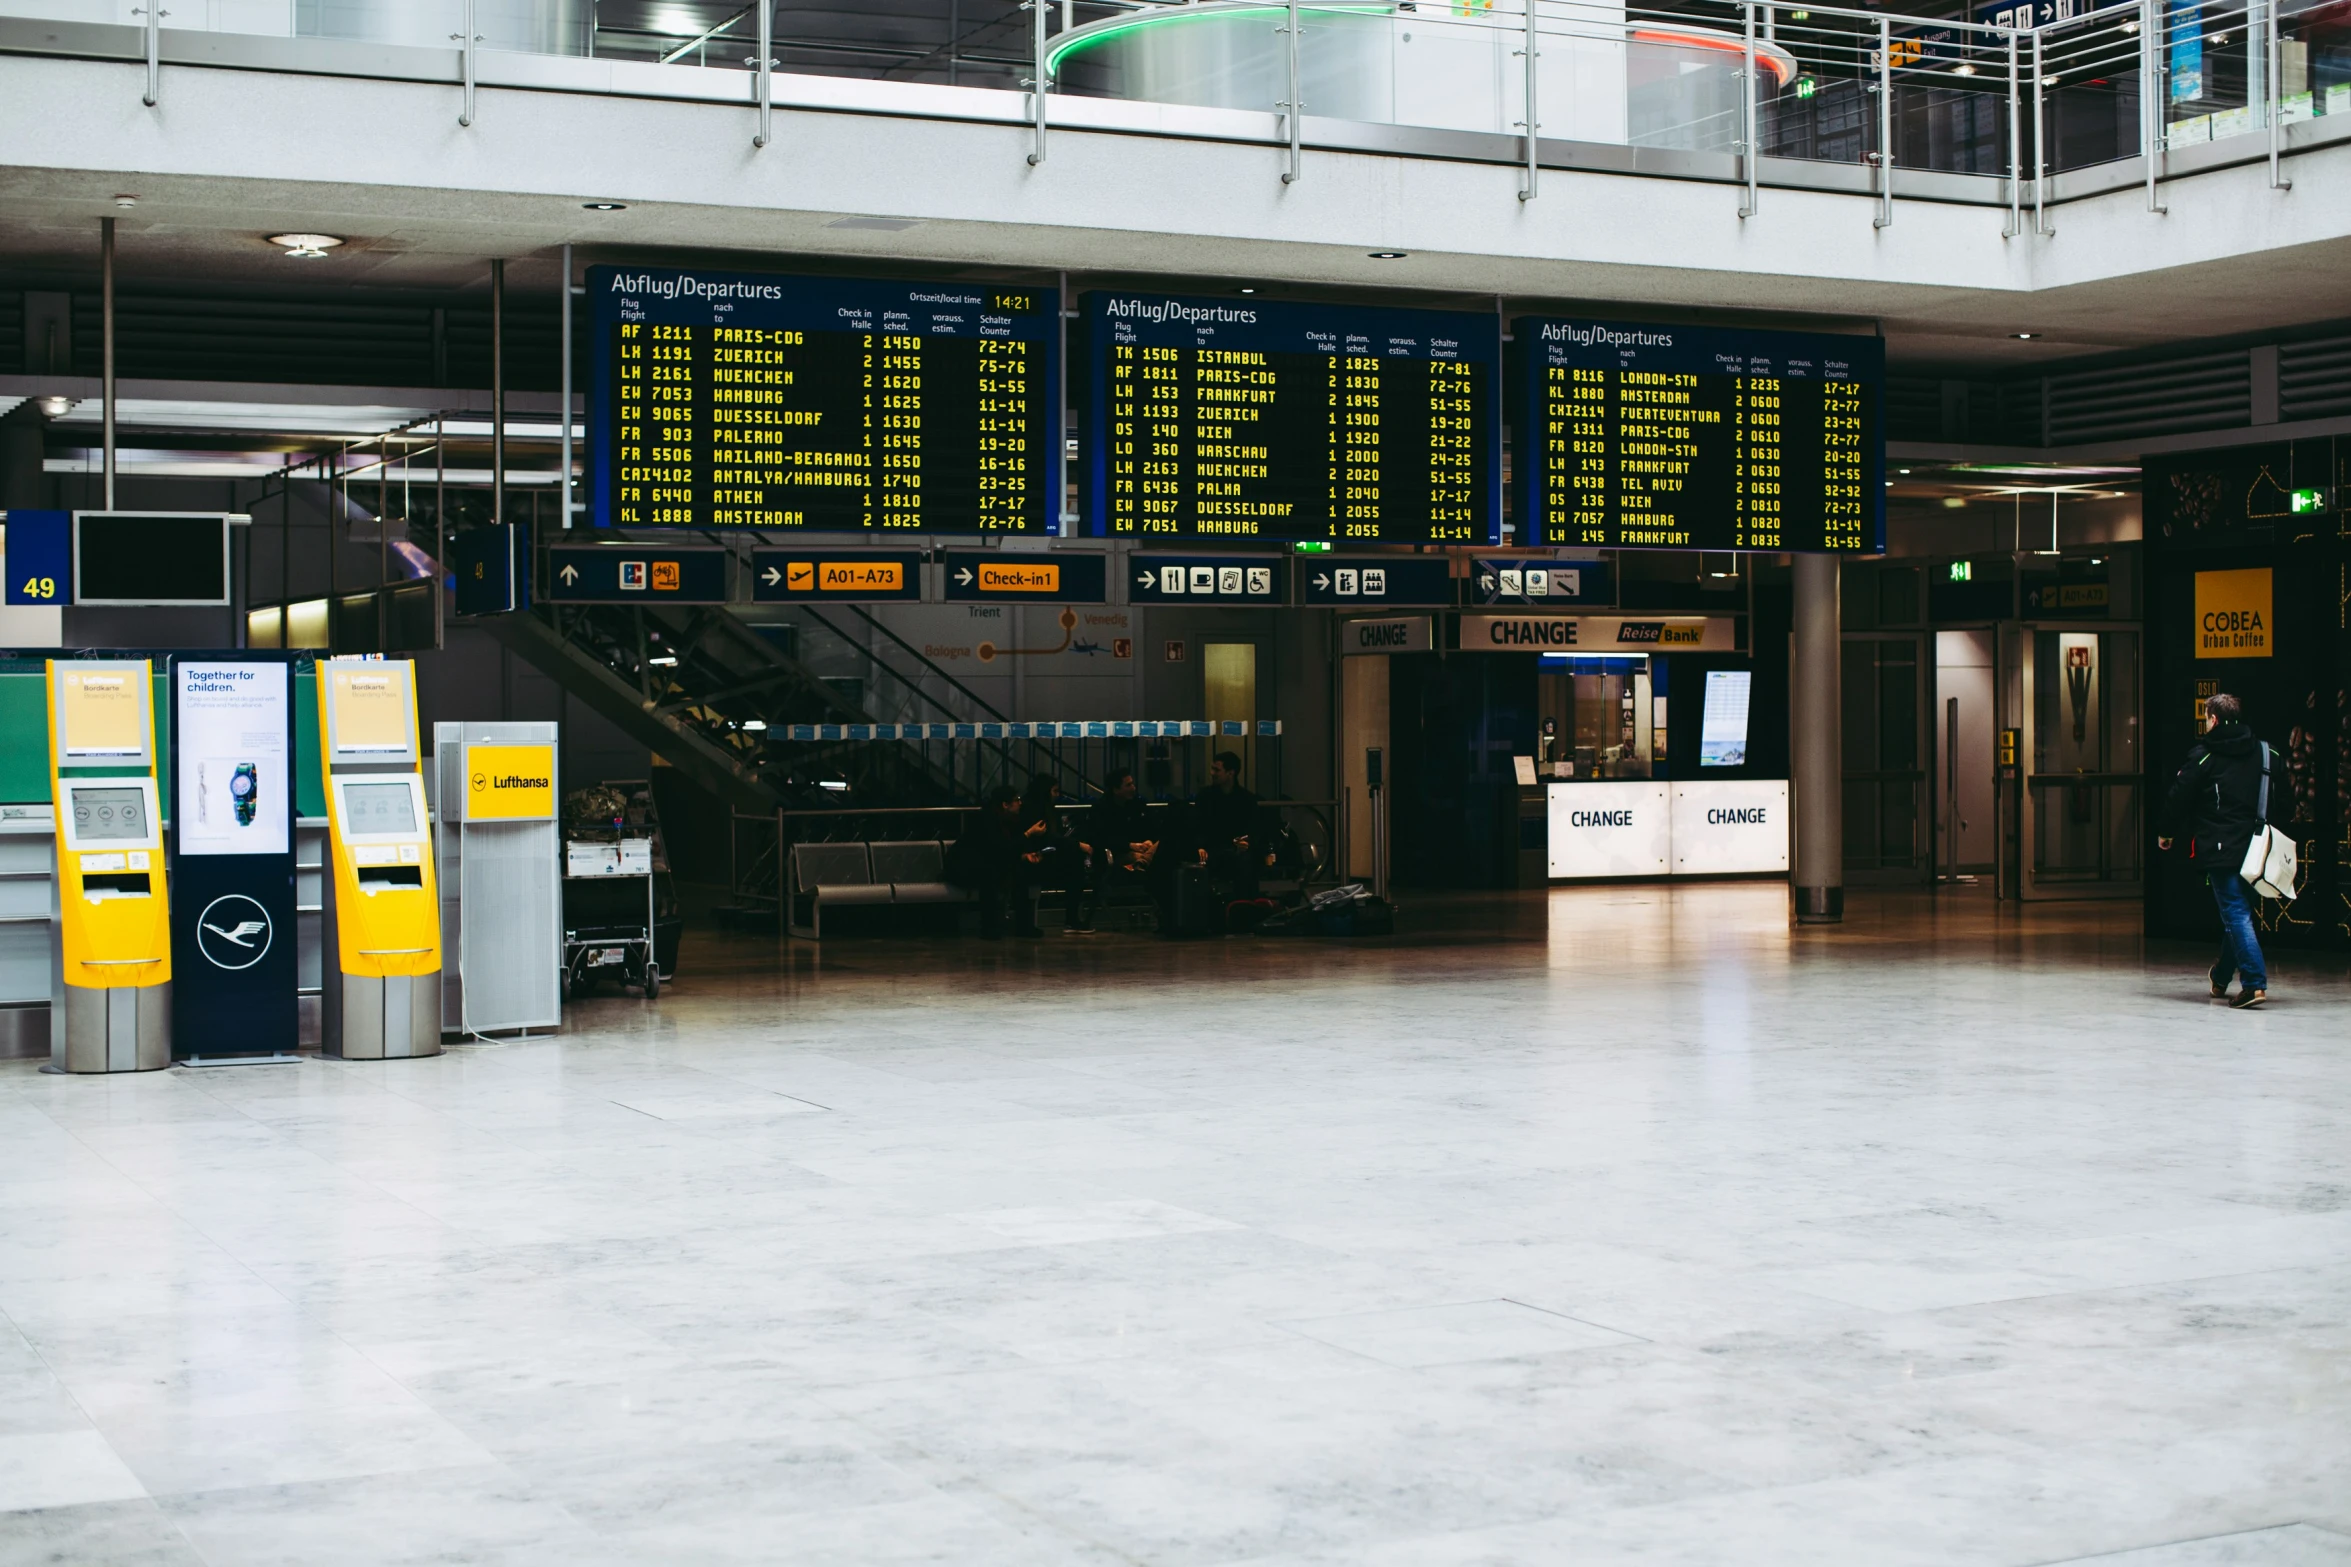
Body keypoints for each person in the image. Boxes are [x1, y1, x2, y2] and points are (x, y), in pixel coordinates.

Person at [2157, 691, 2273, 1009]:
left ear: (2213, 719)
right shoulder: (2265, 753)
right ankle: (2221, 977)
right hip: (2259, 849)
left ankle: (2254, 983)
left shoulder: (2204, 755)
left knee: (2235, 913)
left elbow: (2178, 797)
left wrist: (2166, 833)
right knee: (2240, 914)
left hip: (2220, 847)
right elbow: (2285, 797)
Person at [947, 785, 1041, 938]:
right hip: (963, 869)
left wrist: (1024, 856)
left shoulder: (1007, 820)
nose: (1020, 803)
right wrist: (1028, 834)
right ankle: (990, 927)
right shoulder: (987, 820)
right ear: (1005, 804)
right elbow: (996, 849)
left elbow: (1002, 851)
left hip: (984, 865)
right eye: (1016, 800)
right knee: (991, 875)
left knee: (1017, 872)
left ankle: (1023, 925)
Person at [1080, 768, 1163, 927]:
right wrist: (1130, 846)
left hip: (1142, 851)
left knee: (1162, 843)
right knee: (1138, 857)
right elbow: (1101, 839)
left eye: (1132, 784)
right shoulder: (1101, 809)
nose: (1133, 788)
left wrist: (1148, 841)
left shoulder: (1138, 804)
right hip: (1118, 855)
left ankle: (1142, 863)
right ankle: (1142, 862)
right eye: (1128, 785)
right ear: (1116, 789)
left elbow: (1153, 828)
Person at [1192, 750, 1273, 898]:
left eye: (1217, 769)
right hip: (1215, 849)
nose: (1212, 773)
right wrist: (1200, 845)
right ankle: (1245, 905)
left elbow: (1254, 828)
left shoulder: (1246, 800)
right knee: (1243, 862)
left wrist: (1247, 842)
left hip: (1235, 851)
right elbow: (1198, 825)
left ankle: (1244, 905)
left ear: (1231, 773)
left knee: (1245, 859)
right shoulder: (1206, 797)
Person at [1018, 776, 1091, 932]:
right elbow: (1048, 837)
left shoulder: (1042, 807)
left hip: (1042, 855)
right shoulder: (1034, 808)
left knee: (1074, 862)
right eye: (1055, 791)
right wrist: (1078, 845)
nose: (1057, 795)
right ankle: (1072, 919)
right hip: (1031, 859)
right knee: (1075, 864)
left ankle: (1072, 919)